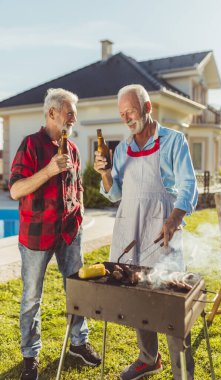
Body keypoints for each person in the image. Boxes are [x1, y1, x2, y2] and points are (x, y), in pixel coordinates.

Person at [94, 84, 198, 380]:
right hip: (131, 230)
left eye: (132, 111)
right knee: (138, 296)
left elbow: (189, 184)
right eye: (122, 113)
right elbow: (114, 193)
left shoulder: (174, 141)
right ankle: (148, 358)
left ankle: (183, 372)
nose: (127, 118)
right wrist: (104, 173)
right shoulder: (124, 148)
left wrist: (175, 217)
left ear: (148, 108)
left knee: (170, 302)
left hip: (162, 230)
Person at [9, 88, 101, 380]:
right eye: (69, 112)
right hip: (37, 236)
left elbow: (78, 187)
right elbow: (15, 189)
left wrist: (81, 212)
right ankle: (30, 356)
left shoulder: (72, 148)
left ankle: (78, 342)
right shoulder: (30, 145)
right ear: (52, 113)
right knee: (32, 298)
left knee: (77, 289)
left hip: (69, 232)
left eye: (74, 113)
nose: (74, 118)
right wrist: (48, 170)